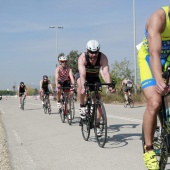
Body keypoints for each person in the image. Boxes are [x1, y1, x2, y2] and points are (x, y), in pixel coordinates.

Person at [138, 6, 170, 170]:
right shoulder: (159, 18)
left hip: (168, 58)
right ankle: (149, 150)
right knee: (155, 101)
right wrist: (159, 80)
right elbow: (155, 52)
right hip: (149, 58)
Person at [77, 40, 116, 136]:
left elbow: (106, 73)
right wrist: (83, 86)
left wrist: (109, 85)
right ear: (87, 51)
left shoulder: (103, 57)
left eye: (95, 52)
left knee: (98, 100)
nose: (94, 55)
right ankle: (82, 106)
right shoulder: (82, 58)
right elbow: (82, 74)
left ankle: (97, 125)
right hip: (84, 76)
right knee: (80, 86)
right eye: (91, 52)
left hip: (95, 77)